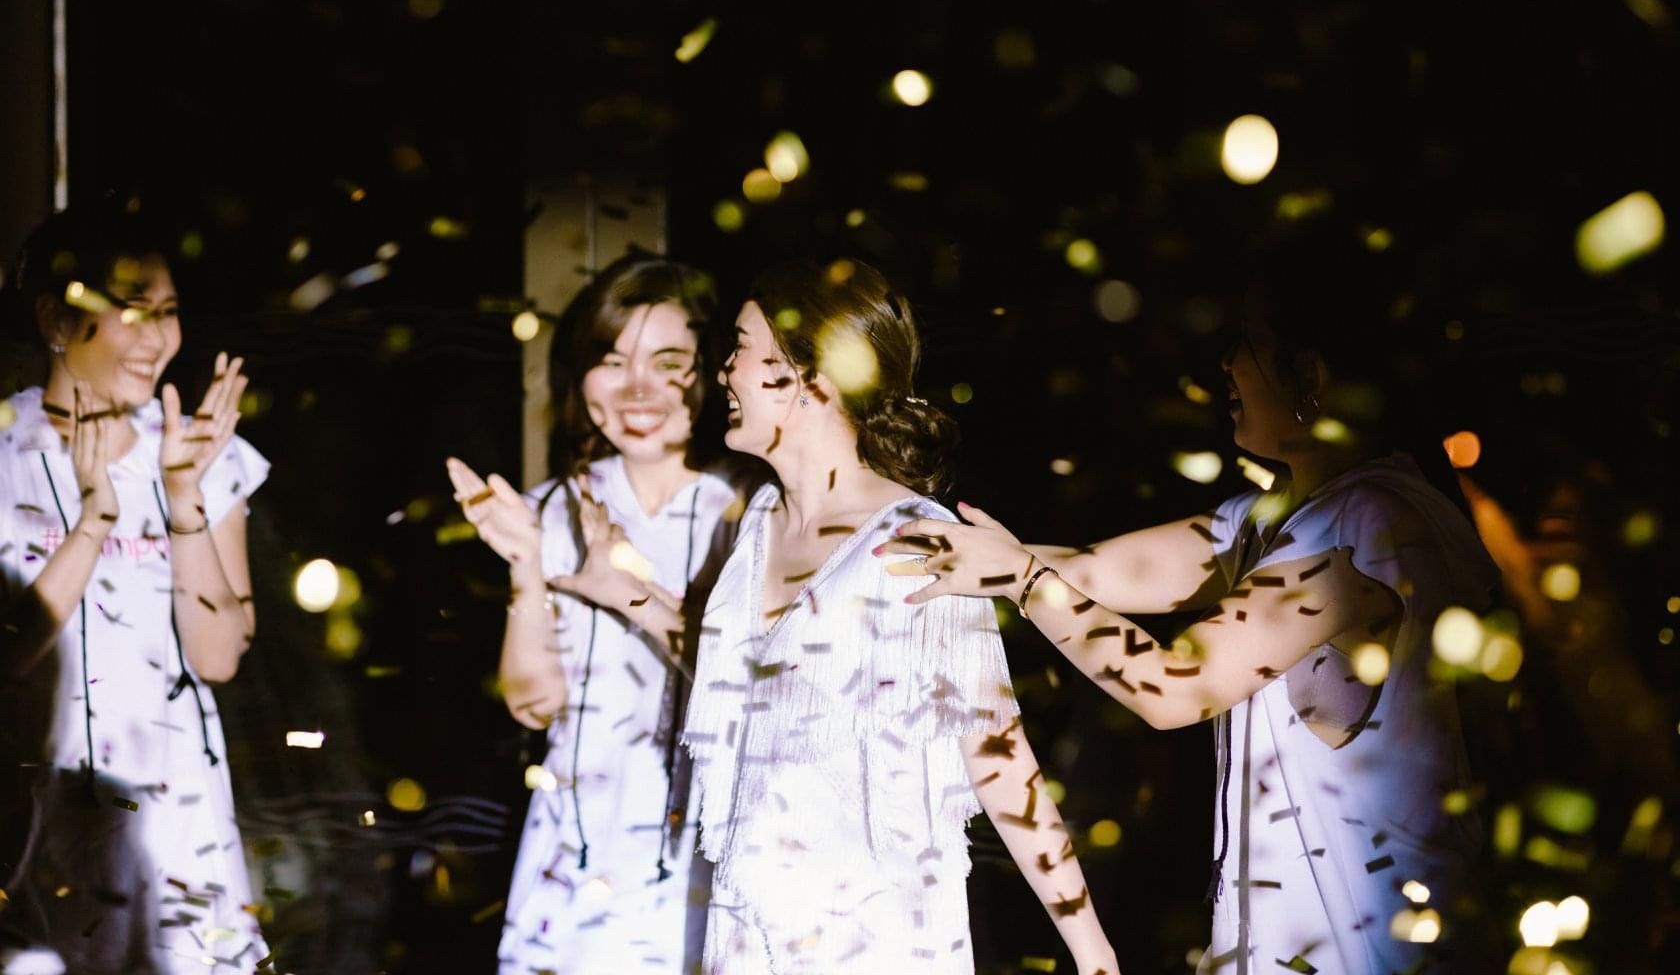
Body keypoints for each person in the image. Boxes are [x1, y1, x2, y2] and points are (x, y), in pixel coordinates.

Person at [880, 234, 1499, 974]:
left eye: (1247, 344)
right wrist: (902, 545)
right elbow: (1091, 570)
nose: (1226, 364)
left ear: (1311, 374)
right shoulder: (1268, 521)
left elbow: (1176, 687)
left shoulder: (1373, 520)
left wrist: (1022, 580)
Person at [568, 257, 1119, 975]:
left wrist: (1092, 951)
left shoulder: (919, 541)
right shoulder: (759, 519)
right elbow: (751, 689)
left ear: (811, 376)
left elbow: (998, 755)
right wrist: (627, 593)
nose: (725, 371)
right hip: (747, 938)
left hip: (878, 941)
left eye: (742, 349)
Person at [446, 252, 747, 974]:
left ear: (708, 373)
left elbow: (756, 687)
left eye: (668, 363)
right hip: (578, 849)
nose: (638, 388)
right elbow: (532, 703)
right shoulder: (552, 508)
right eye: (612, 362)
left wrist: (627, 590)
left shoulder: (746, 513)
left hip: (708, 840)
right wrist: (526, 562)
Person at [0, 201, 269, 973]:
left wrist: (184, 499)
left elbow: (218, 657)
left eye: (169, 313)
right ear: (56, 319)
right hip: (38, 811)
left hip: (171, 812)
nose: (157, 338)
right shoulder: (7, 452)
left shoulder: (200, 450)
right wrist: (93, 522)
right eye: (133, 310)